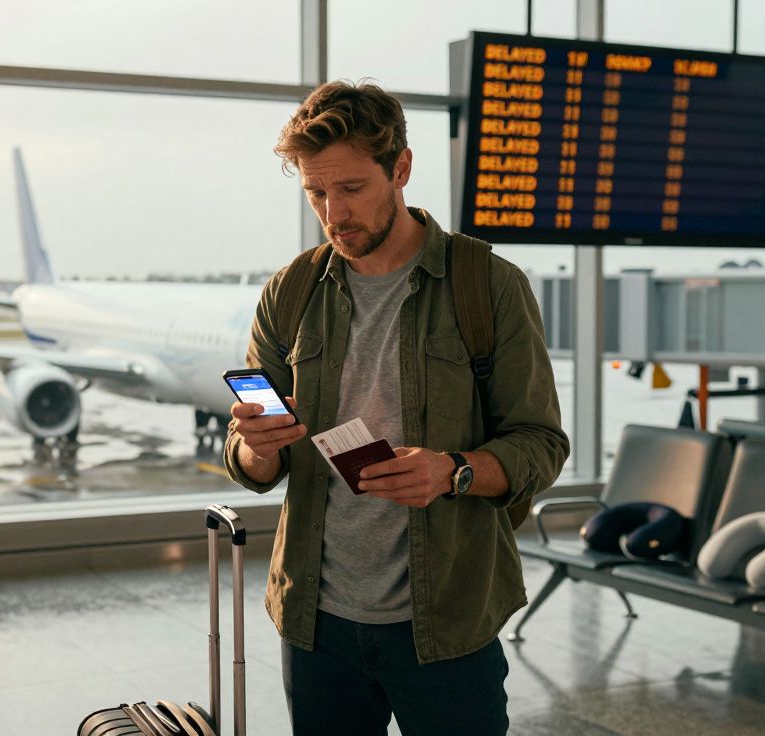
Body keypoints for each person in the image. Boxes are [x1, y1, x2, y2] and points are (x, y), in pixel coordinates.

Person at [223, 81, 569, 736]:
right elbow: (250, 461)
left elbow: (541, 445)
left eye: (351, 188)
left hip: (445, 623)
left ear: (401, 169)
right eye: (316, 192)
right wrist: (255, 446)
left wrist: (453, 471)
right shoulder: (291, 291)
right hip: (316, 623)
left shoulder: (487, 286)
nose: (334, 212)